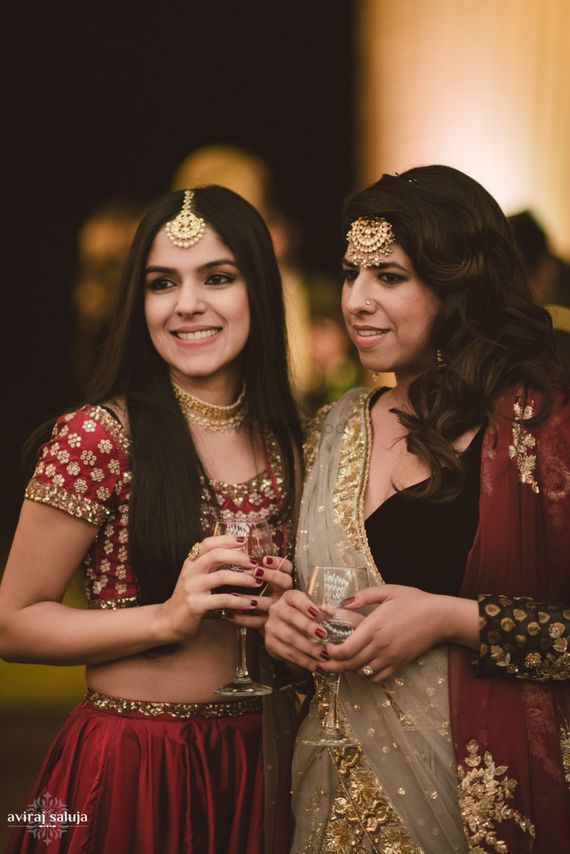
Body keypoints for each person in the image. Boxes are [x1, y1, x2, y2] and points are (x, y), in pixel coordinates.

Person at [265, 166, 570, 852]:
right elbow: (311, 606)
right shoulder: (334, 428)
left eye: (390, 277)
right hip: (332, 805)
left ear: (457, 287)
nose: (357, 300)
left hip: (477, 812)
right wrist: (280, 631)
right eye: (350, 273)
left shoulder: (540, 430)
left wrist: (449, 619)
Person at [0, 186, 302, 853]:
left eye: (218, 278)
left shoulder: (295, 443)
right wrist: (168, 618)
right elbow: (13, 622)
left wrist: (293, 610)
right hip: (135, 766)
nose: (187, 303)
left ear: (261, 290)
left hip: (267, 763)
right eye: (162, 283)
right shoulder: (98, 437)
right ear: (138, 305)